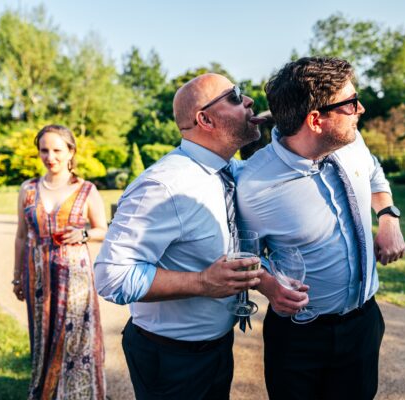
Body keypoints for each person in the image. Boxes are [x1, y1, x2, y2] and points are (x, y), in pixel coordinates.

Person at [237, 57, 405, 400]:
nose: (360, 108)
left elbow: (374, 175)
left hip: (363, 323)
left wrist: (388, 217)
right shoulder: (253, 184)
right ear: (315, 120)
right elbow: (245, 255)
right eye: (350, 103)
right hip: (299, 339)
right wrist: (269, 285)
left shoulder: (351, 140)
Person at [93, 73, 265, 400]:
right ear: (205, 119)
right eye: (234, 96)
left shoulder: (229, 171)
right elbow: (110, 277)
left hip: (216, 346)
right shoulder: (164, 186)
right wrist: (201, 282)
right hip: (171, 359)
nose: (248, 100)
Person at [12, 124, 108, 400]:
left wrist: (85, 233)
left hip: (76, 279)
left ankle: (79, 394)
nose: (50, 156)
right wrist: (17, 276)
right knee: (43, 337)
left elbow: (103, 229)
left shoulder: (86, 189)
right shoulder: (27, 190)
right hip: (38, 277)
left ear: (70, 152)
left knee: (76, 340)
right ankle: (46, 392)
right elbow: (21, 236)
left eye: (56, 150)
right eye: (44, 150)